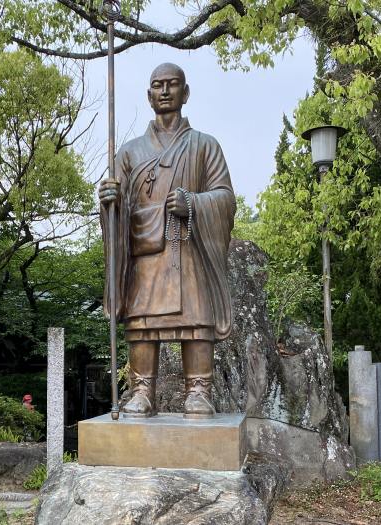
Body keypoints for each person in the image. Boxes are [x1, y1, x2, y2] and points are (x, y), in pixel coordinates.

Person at [99, 63, 236, 418]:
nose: (164, 91)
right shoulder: (128, 153)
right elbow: (117, 207)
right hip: (146, 254)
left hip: (187, 248)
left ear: (185, 93)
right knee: (142, 322)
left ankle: (199, 389)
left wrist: (193, 202)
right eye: (157, 85)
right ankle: (142, 388)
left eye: (172, 85)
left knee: (195, 321)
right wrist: (111, 201)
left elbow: (224, 197)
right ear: (148, 96)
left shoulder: (205, 146)